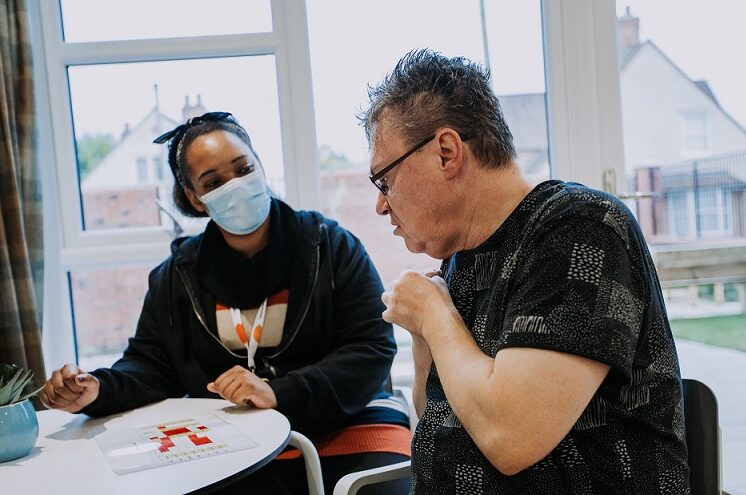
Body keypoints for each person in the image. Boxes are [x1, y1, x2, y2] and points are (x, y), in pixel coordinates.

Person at [359, 49, 690, 494]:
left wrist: (436, 318)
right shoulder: (464, 257)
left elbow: (510, 437)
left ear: (446, 152)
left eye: (385, 179)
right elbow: (439, 415)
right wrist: (424, 336)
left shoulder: (581, 229)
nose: (381, 204)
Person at [41, 111, 411, 494]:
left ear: (260, 166)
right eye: (213, 182)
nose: (234, 185)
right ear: (195, 199)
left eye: (243, 168)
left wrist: (281, 392)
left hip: (346, 423)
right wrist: (98, 389)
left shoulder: (329, 247)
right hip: (236, 442)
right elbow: (150, 367)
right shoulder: (176, 277)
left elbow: (371, 346)